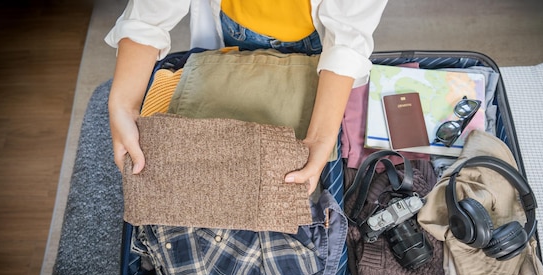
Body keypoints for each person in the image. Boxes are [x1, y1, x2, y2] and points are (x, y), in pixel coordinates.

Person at [105, 0, 388, 194]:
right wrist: (123, 103)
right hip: (232, 25)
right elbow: (148, 14)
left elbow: (347, 36)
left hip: (314, 41)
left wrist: (321, 137)